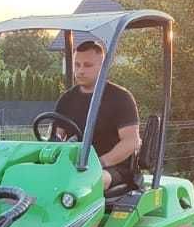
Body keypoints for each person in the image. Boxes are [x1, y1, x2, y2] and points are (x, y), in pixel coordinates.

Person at [54, 39, 140, 191]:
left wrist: (100, 162)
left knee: (89, 183)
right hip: (74, 165)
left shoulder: (120, 98)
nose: (80, 70)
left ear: (102, 67)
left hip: (112, 167)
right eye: (77, 65)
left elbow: (131, 141)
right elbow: (55, 137)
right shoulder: (67, 99)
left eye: (87, 65)